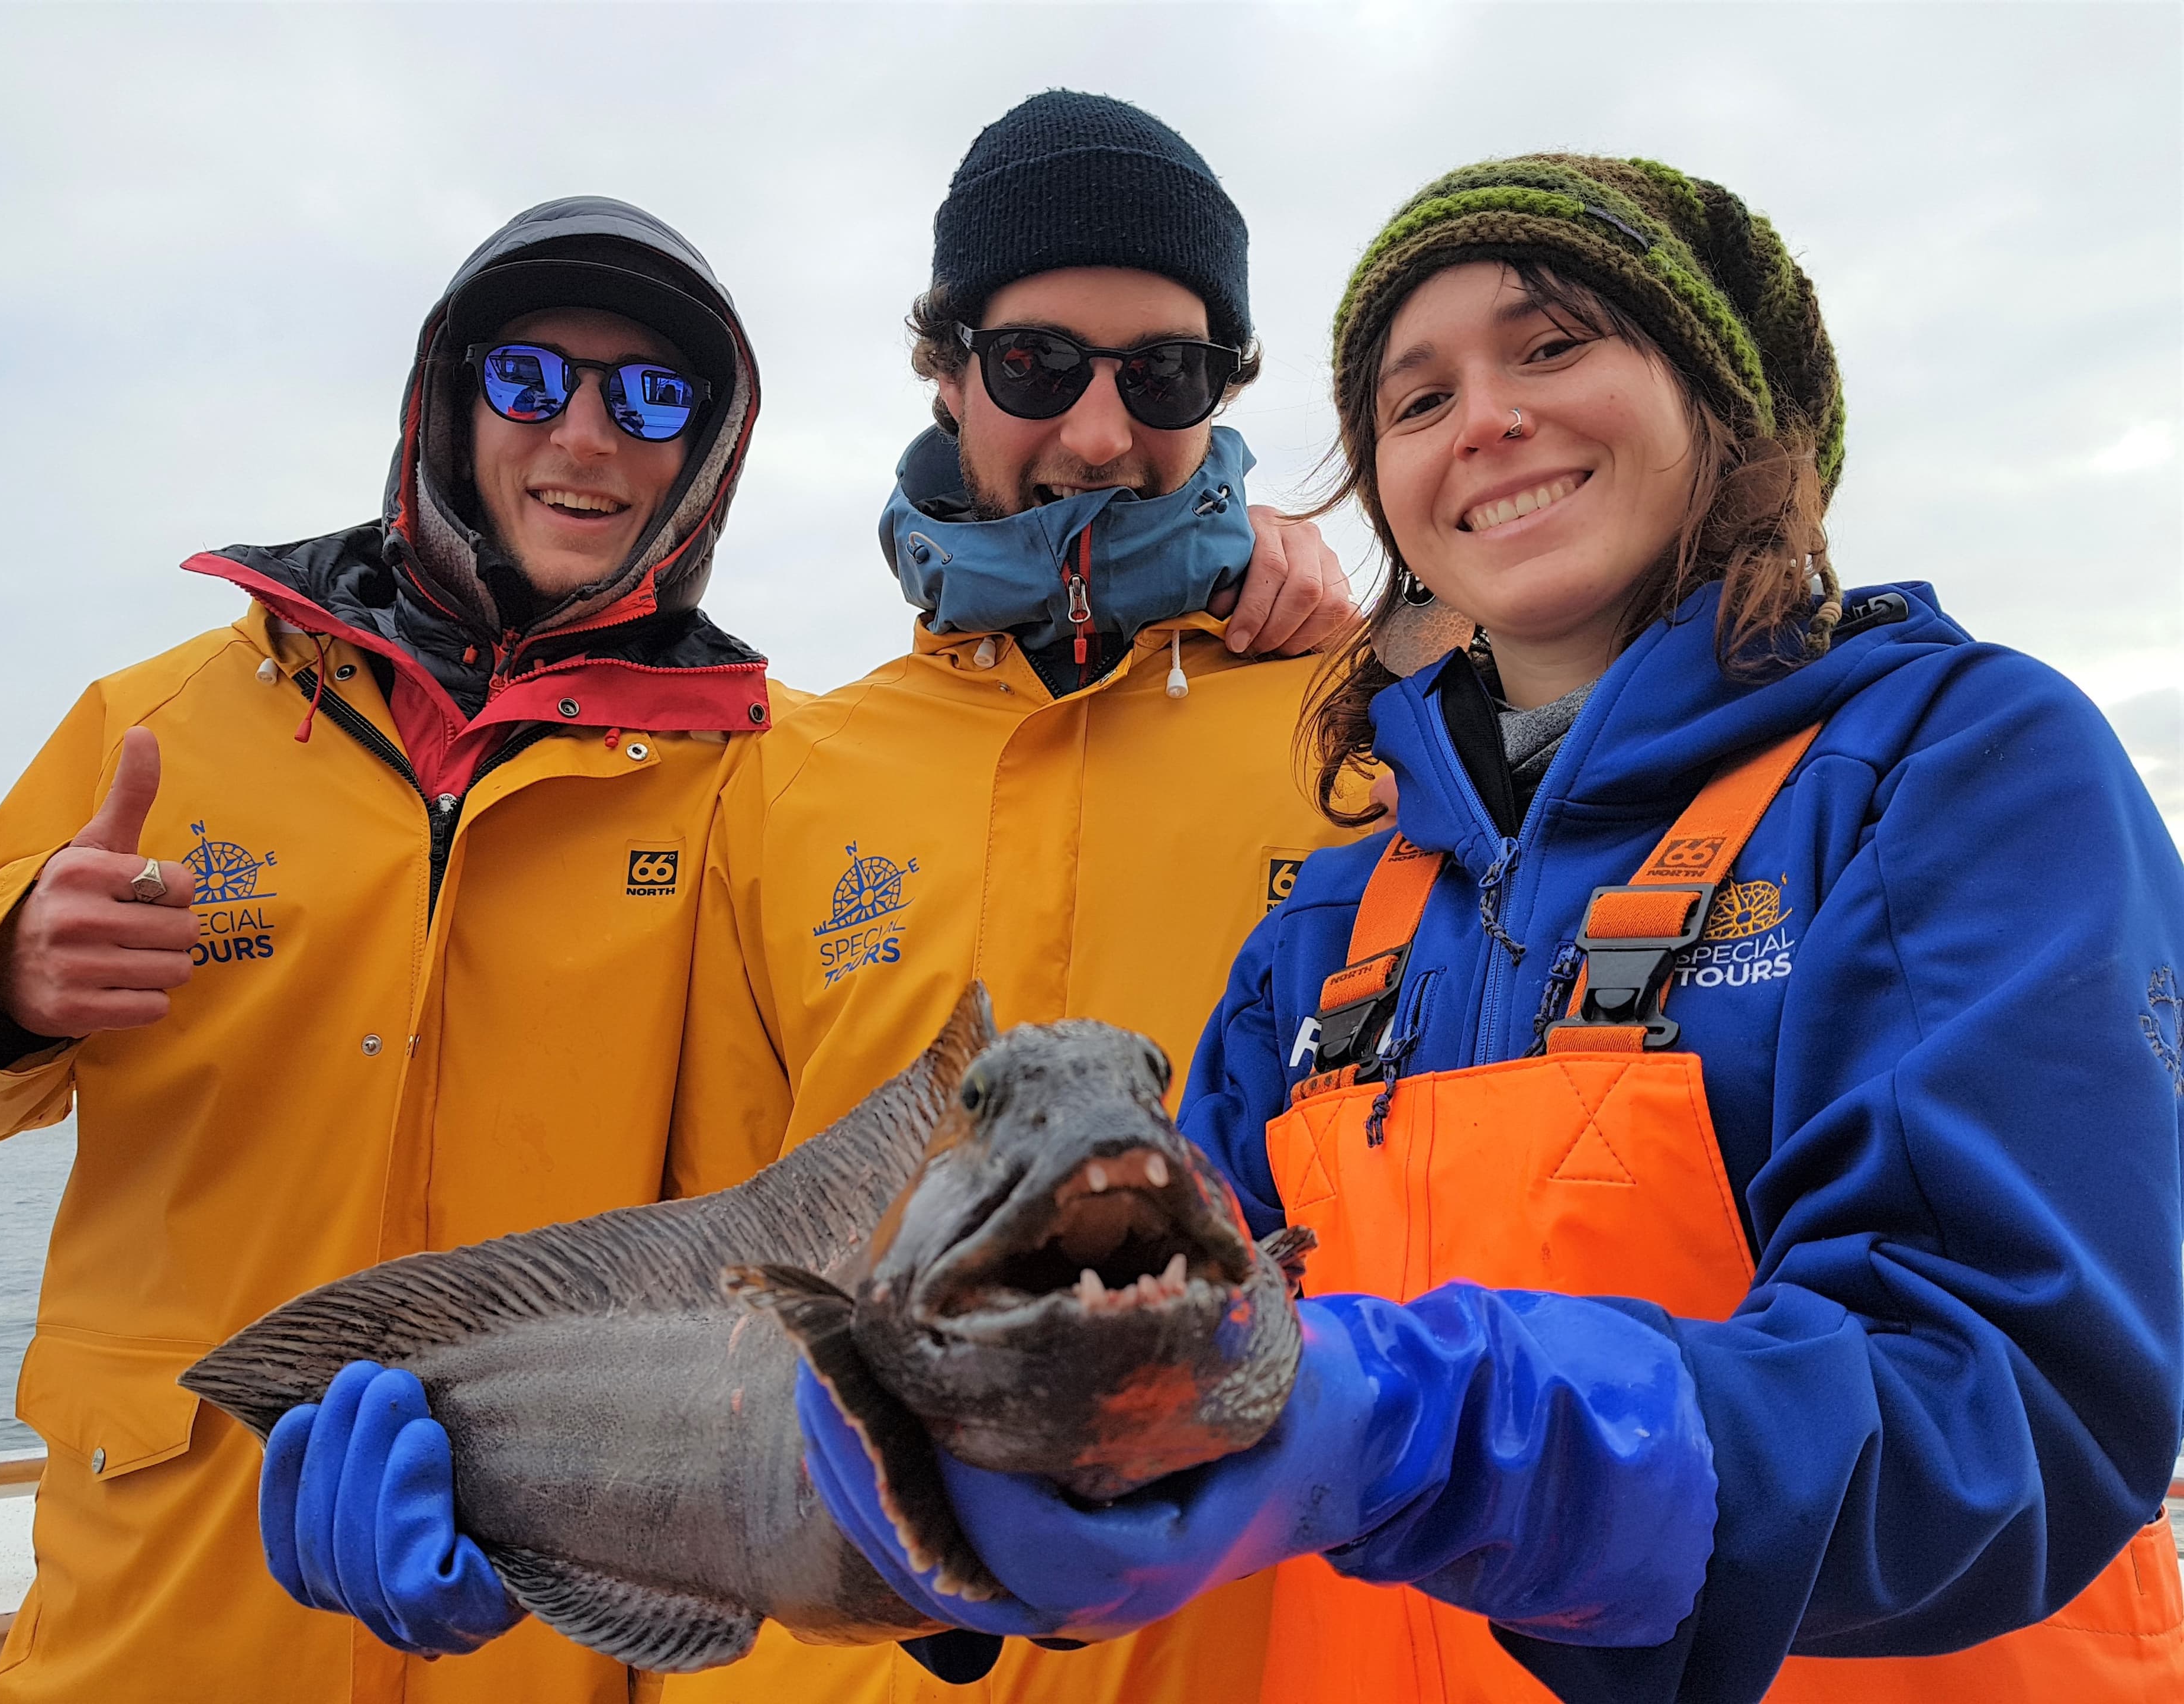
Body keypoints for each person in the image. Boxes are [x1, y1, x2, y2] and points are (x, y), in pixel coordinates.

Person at [798, 155, 2184, 1703]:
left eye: (1551, 347)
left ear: (1722, 397)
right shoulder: (1334, 922)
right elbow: (1144, 1352)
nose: (1486, 420)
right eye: (1416, 397)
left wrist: (1432, 1433)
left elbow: (2007, 1413)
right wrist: (968, 1483)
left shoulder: (1947, 772)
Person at [0, 197, 779, 1702]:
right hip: (161, 1608)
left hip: (537, 1619)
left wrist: (1247, 587)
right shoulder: (169, 718)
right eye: (529, 378)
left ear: (704, 452)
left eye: (653, 394)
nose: (584, 437)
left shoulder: (758, 777)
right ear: (445, 404)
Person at [649, 91, 1362, 1704]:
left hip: (1247, 1639)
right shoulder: (782, 772)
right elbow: (724, 1256)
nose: (1103, 436)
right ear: (949, 364)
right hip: (849, 1650)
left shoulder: (1363, 719)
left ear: (1223, 391)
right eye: (1040, 366)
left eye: (1163, 373)